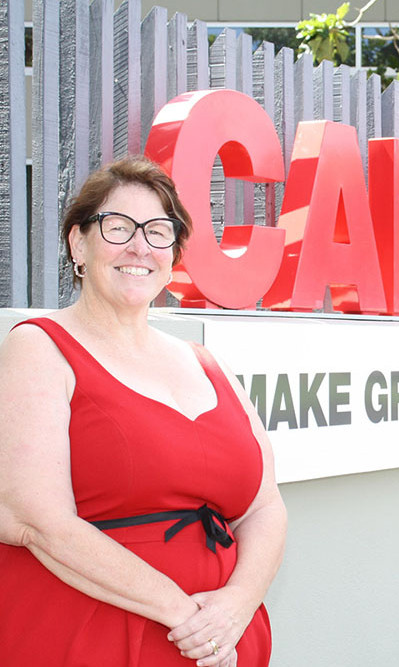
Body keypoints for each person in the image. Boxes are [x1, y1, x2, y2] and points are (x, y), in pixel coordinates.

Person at [0, 156, 287, 666]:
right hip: (90, 637)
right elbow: (36, 520)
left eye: (159, 231)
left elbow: (264, 508)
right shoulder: (38, 348)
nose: (139, 246)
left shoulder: (206, 363)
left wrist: (236, 607)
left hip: (217, 639)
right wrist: (187, 617)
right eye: (118, 227)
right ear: (78, 244)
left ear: (173, 254)